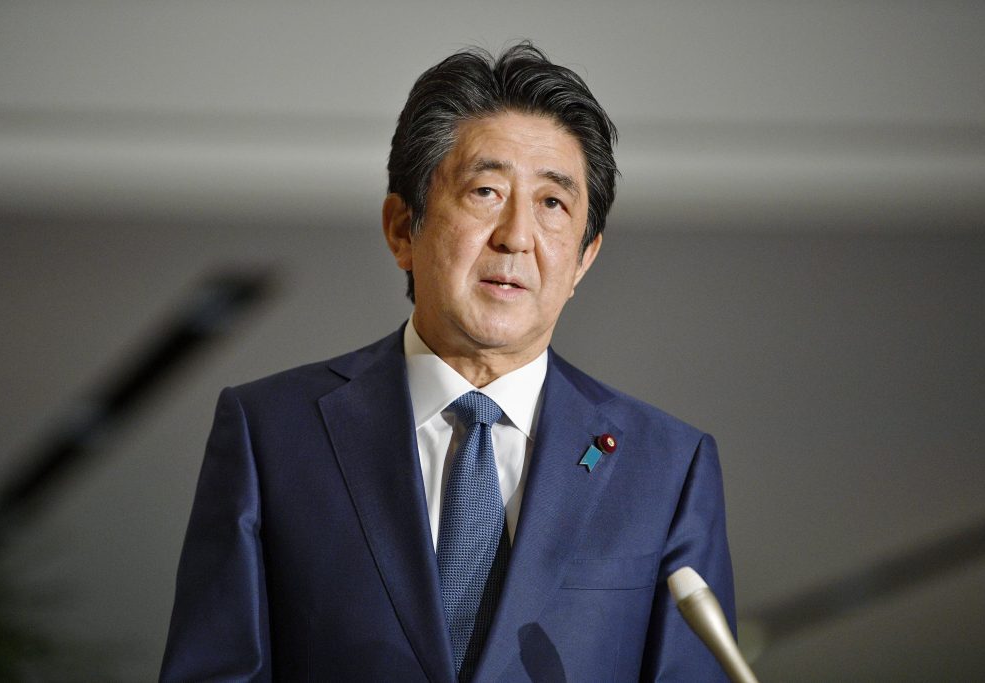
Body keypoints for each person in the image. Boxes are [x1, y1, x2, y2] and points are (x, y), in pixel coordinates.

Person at [161, 42, 735, 682]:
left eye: (553, 204)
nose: (516, 235)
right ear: (403, 229)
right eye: (486, 191)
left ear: (584, 258)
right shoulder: (271, 432)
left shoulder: (665, 466)